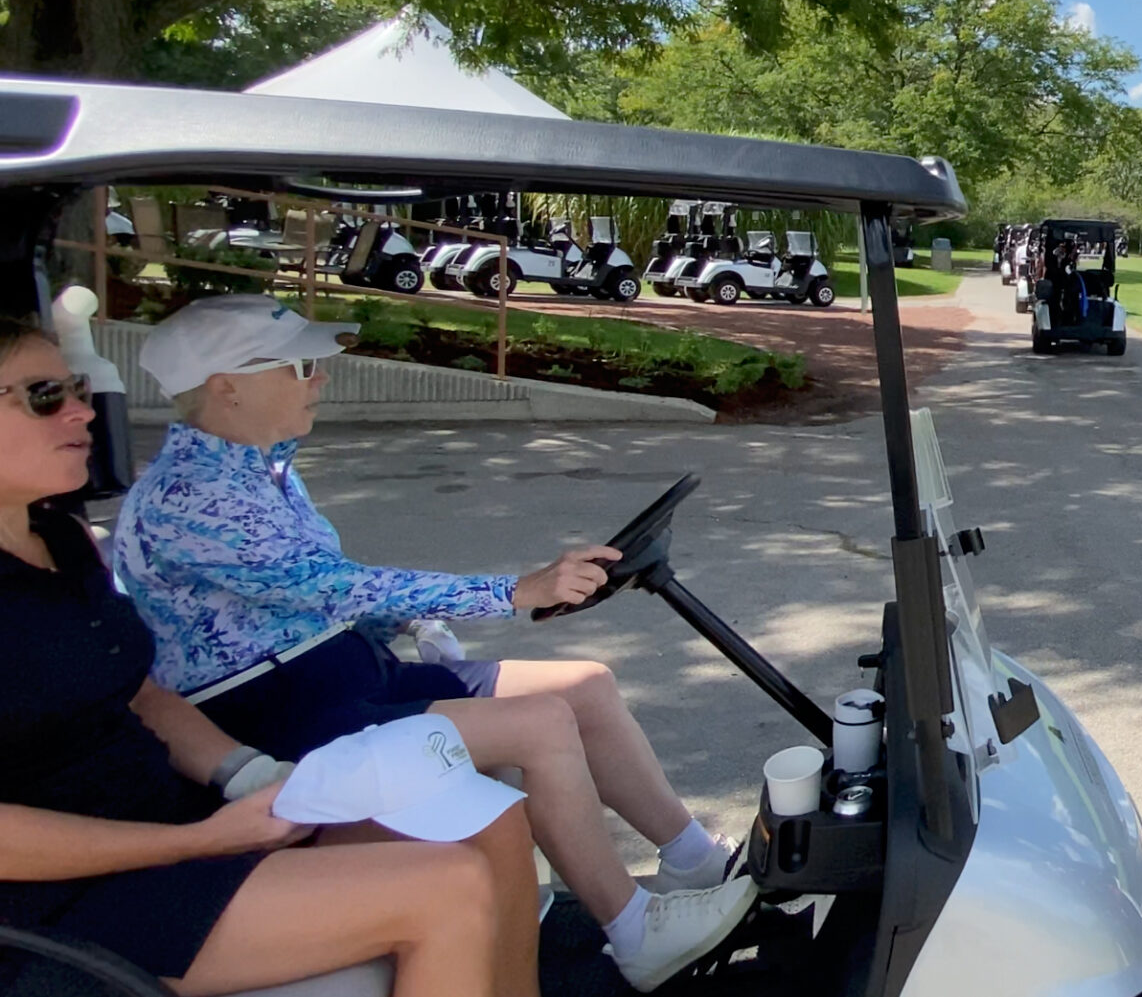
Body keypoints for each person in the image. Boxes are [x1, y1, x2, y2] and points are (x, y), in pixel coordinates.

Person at [109, 296, 755, 991]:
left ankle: (696, 862)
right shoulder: (188, 496)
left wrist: (408, 624)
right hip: (280, 711)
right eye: (300, 366)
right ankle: (635, 931)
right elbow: (328, 585)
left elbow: (300, 603)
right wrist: (514, 591)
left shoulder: (263, 469)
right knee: (540, 724)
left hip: (343, 672)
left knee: (585, 686)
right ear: (225, 387)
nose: (321, 376)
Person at [0, 313, 540, 997]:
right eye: (45, 396)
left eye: (76, 388)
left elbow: (141, 695)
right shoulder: (181, 499)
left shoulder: (62, 540)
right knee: (447, 884)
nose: (82, 410)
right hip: (64, 901)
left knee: (490, 815)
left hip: (173, 822)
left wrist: (251, 775)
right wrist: (199, 841)